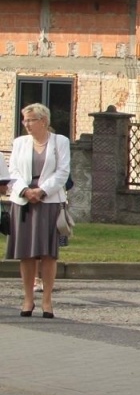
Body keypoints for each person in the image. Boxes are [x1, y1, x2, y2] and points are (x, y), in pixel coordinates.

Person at [8, 103, 71, 318]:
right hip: (24, 202)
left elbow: (63, 172)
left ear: (43, 120)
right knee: (26, 253)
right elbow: (13, 171)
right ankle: (27, 299)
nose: (26, 124)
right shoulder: (20, 143)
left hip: (50, 201)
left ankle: (47, 301)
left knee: (48, 253)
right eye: (24, 120)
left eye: (31, 120)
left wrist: (42, 191)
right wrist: (25, 191)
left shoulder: (59, 142)